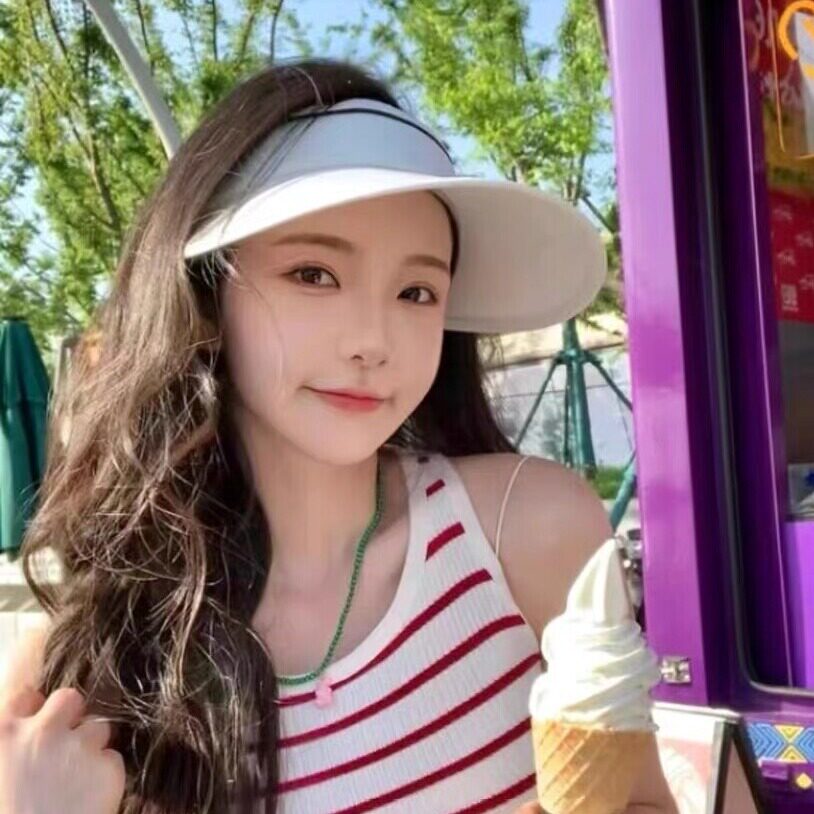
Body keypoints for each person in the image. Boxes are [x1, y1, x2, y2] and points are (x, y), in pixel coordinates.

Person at [0, 58, 677, 813]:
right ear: (207, 292)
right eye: (314, 274)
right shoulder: (90, 665)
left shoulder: (528, 530)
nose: (372, 341)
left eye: (416, 291)